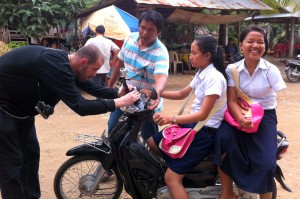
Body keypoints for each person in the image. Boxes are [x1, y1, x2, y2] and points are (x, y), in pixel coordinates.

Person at [0, 44, 140, 199]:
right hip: (4, 112)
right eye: (94, 70)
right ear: (83, 62)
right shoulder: (55, 66)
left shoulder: (68, 65)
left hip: (21, 114)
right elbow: (81, 106)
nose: (95, 74)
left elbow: (90, 87)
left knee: (31, 156)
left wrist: (118, 93)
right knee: (11, 165)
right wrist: (119, 103)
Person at [147, 35, 227, 199]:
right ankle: (182, 169)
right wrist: (155, 93)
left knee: (171, 179)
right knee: (153, 143)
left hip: (203, 132)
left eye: (193, 53)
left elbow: (203, 114)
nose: (189, 57)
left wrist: (171, 118)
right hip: (193, 126)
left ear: (207, 56)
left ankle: (177, 178)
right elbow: (181, 93)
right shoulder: (201, 72)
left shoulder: (214, 77)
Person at [214, 27, 287, 199]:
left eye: (260, 42)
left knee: (266, 164)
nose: (255, 45)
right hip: (237, 114)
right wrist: (240, 118)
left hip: (265, 117)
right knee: (221, 140)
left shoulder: (271, 70)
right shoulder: (232, 69)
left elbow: (280, 94)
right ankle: (227, 192)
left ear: (265, 46)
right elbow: (231, 100)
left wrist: (253, 118)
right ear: (241, 46)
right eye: (250, 41)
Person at [107, 10, 169, 140]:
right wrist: (110, 86)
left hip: (148, 102)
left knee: (149, 138)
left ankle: (152, 159)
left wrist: (156, 93)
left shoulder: (161, 53)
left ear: (158, 32)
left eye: (151, 30)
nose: (145, 33)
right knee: (112, 128)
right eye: (143, 28)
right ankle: (117, 159)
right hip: (126, 94)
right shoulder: (129, 39)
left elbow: (161, 78)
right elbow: (120, 63)